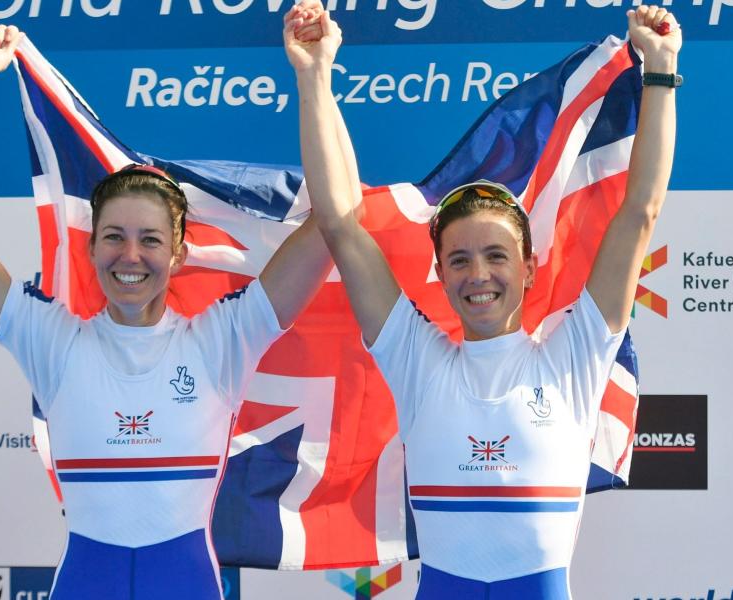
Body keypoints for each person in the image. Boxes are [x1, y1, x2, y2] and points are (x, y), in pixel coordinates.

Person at [0, 17, 354, 599]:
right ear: (90, 247)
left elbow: (334, 220)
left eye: (150, 240)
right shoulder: (50, 339)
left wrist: (315, 76)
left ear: (179, 252)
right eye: (114, 236)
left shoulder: (222, 339)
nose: (130, 256)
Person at [287, 3, 680, 598]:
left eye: (496, 257)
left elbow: (639, 212)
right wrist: (314, 74)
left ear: (528, 269)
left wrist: (660, 70)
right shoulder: (417, 360)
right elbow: (342, 224)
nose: (479, 275)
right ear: (440, 273)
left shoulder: (574, 356)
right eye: (461, 260)